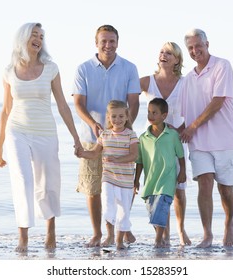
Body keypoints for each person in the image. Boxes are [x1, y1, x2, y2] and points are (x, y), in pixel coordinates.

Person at [0, 22, 82, 253]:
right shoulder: (8, 71)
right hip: (17, 130)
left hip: (45, 132)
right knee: (22, 181)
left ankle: (50, 229)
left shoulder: (51, 68)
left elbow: (63, 105)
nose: (38, 39)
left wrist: (76, 137)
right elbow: (5, 110)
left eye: (41, 36)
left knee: (47, 182)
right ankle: (23, 236)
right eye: (34, 35)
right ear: (22, 38)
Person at [73, 24, 141, 247]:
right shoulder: (83, 69)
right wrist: (93, 123)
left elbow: (134, 101)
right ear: (96, 43)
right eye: (104, 41)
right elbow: (78, 103)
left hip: (121, 137)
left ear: (117, 42)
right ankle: (98, 233)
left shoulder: (129, 68)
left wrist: (125, 129)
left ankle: (122, 229)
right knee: (93, 188)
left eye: (112, 41)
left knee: (122, 187)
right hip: (92, 137)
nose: (108, 45)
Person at [178, 28, 233, 248]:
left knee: (225, 189)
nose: (196, 51)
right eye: (191, 48)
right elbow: (185, 116)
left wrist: (193, 126)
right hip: (199, 143)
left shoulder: (222, 66)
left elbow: (218, 101)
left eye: (199, 46)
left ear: (207, 44)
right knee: (204, 185)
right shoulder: (187, 80)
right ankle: (207, 235)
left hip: (226, 140)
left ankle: (229, 222)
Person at [140, 42, 191, 246]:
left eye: (169, 53)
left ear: (177, 59)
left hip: (176, 142)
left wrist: (183, 129)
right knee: (156, 189)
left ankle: (180, 230)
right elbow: (126, 98)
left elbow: (197, 107)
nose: (164, 55)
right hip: (152, 144)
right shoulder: (146, 82)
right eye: (162, 51)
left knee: (178, 188)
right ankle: (163, 235)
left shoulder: (186, 83)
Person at [77, 100, 139, 250]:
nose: (117, 120)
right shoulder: (104, 135)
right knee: (107, 205)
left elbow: (134, 155)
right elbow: (94, 153)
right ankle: (109, 235)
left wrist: (118, 159)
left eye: (120, 116)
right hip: (108, 178)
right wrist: (81, 153)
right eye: (114, 117)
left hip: (125, 180)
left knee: (124, 211)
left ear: (126, 117)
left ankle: (119, 241)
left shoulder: (131, 135)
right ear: (108, 117)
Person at [134, 98, 186, 248]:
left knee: (161, 208)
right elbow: (140, 162)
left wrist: (182, 171)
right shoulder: (143, 138)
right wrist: (136, 180)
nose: (150, 115)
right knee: (152, 211)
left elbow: (181, 156)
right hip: (151, 181)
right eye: (149, 112)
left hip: (167, 179)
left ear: (164, 115)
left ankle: (158, 240)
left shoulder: (173, 135)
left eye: (154, 113)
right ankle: (162, 239)